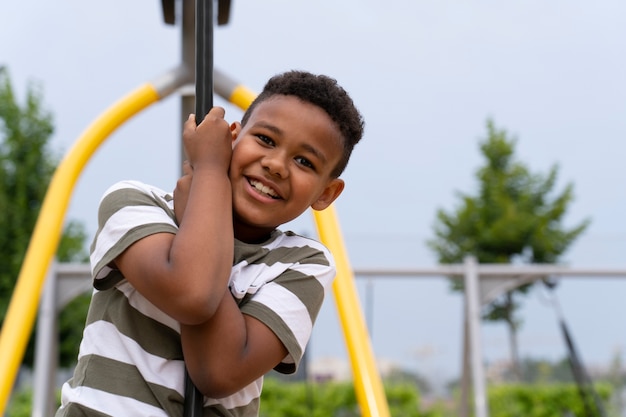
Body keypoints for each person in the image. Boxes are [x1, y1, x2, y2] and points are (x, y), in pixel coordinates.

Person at [56, 70, 365, 417]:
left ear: (326, 192)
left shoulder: (303, 264)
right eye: (265, 139)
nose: (276, 165)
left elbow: (219, 372)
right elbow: (190, 293)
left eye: (304, 161)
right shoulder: (135, 205)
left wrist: (205, 192)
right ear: (231, 138)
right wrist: (209, 175)